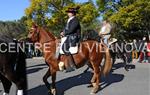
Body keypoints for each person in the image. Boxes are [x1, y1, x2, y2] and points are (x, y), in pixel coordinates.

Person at [60, 6, 81, 72]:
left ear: (73, 13)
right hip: (69, 36)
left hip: (74, 36)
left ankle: (72, 65)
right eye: (68, 12)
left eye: (69, 12)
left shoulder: (75, 20)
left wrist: (64, 33)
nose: (68, 13)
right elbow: (66, 28)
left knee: (64, 48)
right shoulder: (70, 20)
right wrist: (61, 32)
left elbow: (71, 30)